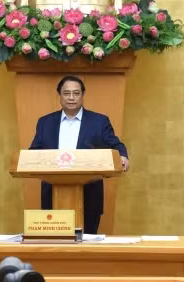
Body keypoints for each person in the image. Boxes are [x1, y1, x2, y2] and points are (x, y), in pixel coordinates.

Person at [29, 75, 129, 234]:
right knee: (54, 245)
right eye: (66, 93)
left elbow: (116, 145)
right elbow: (33, 153)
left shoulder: (99, 122)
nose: (71, 98)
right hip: (53, 195)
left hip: (90, 196)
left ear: (83, 95)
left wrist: (122, 155)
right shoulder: (45, 122)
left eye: (76, 93)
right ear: (59, 96)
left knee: (87, 247)